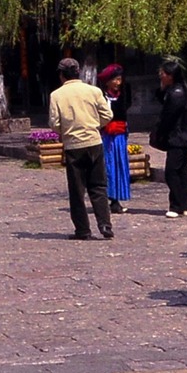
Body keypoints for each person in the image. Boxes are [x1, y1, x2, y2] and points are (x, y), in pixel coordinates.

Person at [49, 58, 115, 240]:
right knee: (99, 186)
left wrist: (67, 131)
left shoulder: (57, 95)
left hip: (73, 146)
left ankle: (83, 230)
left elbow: (54, 123)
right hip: (94, 143)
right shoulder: (93, 91)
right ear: (78, 72)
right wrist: (95, 125)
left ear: (61, 75)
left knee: (77, 191)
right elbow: (108, 114)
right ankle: (105, 224)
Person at [150, 58, 187, 217]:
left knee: (172, 171)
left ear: (171, 75)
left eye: (163, 73)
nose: (161, 76)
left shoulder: (177, 93)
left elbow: (168, 116)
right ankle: (183, 204)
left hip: (178, 136)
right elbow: (161, 100)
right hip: (181, 135)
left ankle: (176, 205)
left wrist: (160, 133)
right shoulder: (175, 89)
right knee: (181, 170)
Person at [98, 64, 131, 214]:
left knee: (120, 165)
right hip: (107, 136)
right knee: (109, 165)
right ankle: (109, 197)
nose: (119, 83)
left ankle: (117, 197)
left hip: (120, 135)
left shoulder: (123, 94)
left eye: (120, 79)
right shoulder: (102, 96)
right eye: (116, 79)